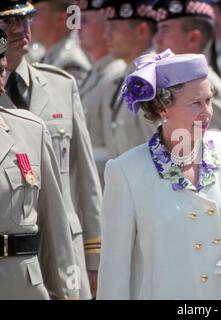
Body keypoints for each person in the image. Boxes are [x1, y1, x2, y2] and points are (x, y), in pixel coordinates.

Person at [97, 50, 221, 299]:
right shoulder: (126, 172)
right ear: (163, 109)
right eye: (196, 103)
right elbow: (114, 278)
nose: (207, 112)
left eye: (209, 100)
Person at [0, 0, 102, 299]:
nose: (21, 30)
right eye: (8, 23)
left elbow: (85, 177)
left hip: (64, 246)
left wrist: (94, 255)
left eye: (27, 20)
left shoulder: (60, 85)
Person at [152, 0, 221, 131]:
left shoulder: (204, 85)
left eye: (165, 30)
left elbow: (209, 147)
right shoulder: (179, 82)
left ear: (193, 38)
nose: (156, 39)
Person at [96, 0, 157, 160]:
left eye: (114, 28)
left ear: (141, 31)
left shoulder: (153, 79)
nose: (105, 35)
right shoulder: (126, 76)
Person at [76, 0, 126, 184]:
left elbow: (115, 146)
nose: (78, 27)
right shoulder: (98, 71)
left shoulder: (116, 75)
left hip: (104, 183)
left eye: (86, 21)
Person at [31, 0, 91, 86]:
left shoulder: (71, 63)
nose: (30, 22)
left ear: (61, 19)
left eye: (36, 14)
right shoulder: (48, 57)